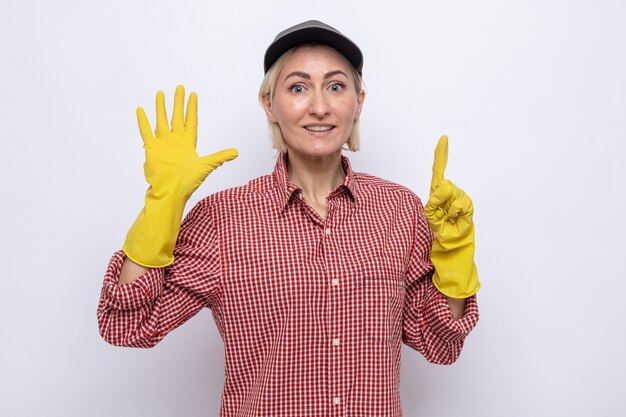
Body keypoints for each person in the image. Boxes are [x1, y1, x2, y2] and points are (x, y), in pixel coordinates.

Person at [98, 20, 480, 417]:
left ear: (359, 101)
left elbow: (440, 345)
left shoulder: (399, 210)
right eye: (298, 87)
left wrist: (454, 258)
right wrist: (161, 206)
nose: (319, 106)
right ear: (269, 104)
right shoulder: (222, 220)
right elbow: (125, 326)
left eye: (336, 86)